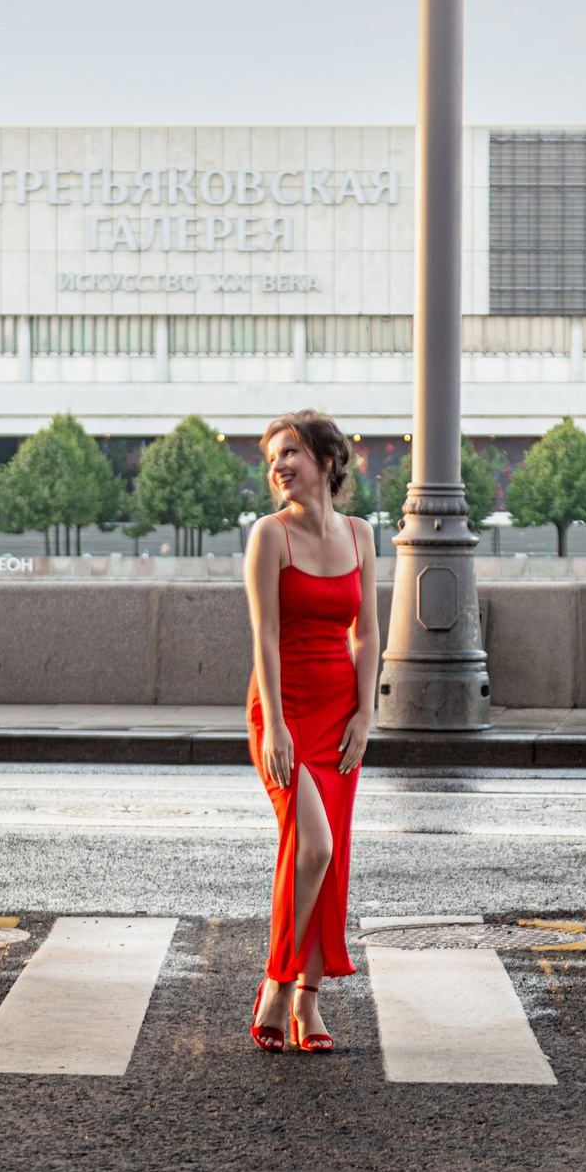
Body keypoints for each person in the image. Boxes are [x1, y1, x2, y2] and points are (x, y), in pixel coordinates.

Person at [244, 410, 378, 1053]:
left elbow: (367, 633)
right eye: (272, 457)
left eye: (290, 452)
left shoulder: (361, 535)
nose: (278, 466)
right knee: (313, 846)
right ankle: (277, 982)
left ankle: (308, 999)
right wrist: (274, 724)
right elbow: (265, 635)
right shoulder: (269, 535)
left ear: (326, 460)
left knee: (332, 854)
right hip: (284, 709)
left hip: (340, 712)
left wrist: (366, 714)